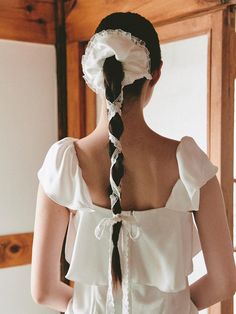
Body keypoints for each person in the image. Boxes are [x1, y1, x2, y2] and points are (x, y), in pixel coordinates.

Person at [31, 11, 236, 314]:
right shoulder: (190, 165)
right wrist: (177, 305)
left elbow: (44, 291)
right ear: (156, 73)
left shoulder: (66, 164)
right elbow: (223, 281)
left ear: (93, 76)